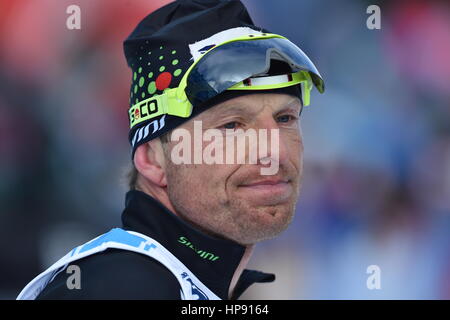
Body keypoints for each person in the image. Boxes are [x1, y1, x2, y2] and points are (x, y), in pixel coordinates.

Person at [17, 0, 324, 300]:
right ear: (153, 159)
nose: (275, 153)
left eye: (285, 119)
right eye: (231, 126)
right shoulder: (121, 285)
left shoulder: (177, 279)